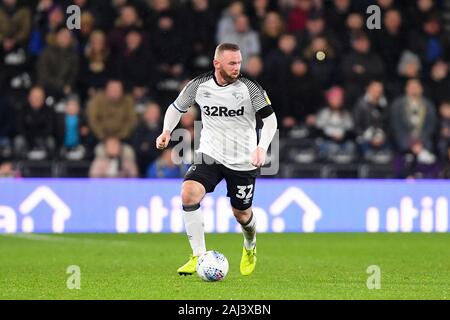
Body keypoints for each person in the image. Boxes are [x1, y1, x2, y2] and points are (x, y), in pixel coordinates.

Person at [156, 43, 277, 276]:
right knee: (188, 192)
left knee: (241, 214)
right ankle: (198, 255)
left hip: (242, 160)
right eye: (232, 63)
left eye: (239, 62)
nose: (237, 67)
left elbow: (271, 121)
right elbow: (176, 108)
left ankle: (250, 245)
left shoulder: (250, 88)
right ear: (216, 64)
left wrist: (261, 147)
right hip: (210, 154)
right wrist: (166, 131)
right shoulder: (199, 85)